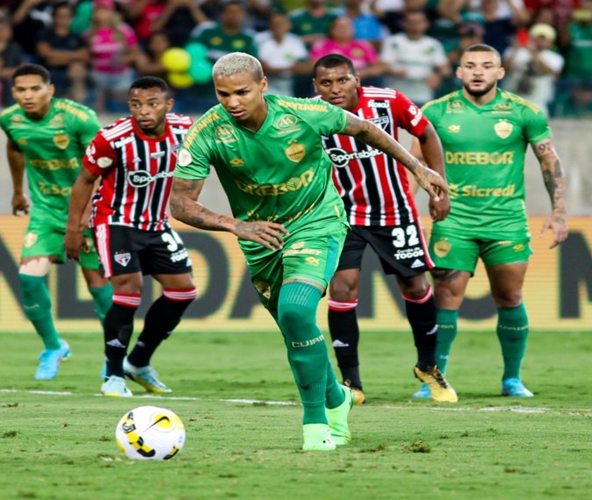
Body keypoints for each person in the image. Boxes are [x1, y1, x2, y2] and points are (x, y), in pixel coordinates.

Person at [169, 52, 449, 451]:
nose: (232, 102)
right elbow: (180, 204)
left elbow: (366, 129)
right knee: (294, 330)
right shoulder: (206, 133)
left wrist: (416, 167)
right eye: (223, 94)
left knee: (297, 310)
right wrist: (237, 226)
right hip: (261, 237)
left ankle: (315, 422)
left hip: (317, 221)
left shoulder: (302, 112)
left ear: (263, 86)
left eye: (242, 92)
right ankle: (337, 398)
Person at [412, 44, 568, 399]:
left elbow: (549, 162)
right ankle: (437, 379)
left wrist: (558, 213)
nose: (478, 71)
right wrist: (408, 211)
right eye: (470, 65)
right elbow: (414, 165)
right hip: (454, 219)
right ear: (459, 72)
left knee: (510, 295)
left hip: (506, 220)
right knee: (446, 296)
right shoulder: (434, 112)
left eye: (486, 66)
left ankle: (512, 378)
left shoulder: (524, 112)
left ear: (500, 72)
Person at [311, 53, 456, 405]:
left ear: (356, 78)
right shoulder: (308, 113)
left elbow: (427, 133)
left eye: (342, 80)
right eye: (326, 83)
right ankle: (351, 382)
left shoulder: (388, 102)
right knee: (342, 289)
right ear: (315, 86)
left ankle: (428, 366)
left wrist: (439, 187)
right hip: (342, 216)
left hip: (395, 212)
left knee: (415, 285)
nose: (334, 89)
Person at [64, 76, 198, 397]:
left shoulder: (186, 130)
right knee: (129, 290)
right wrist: (74, 229)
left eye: (152, 104)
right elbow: (85, 181)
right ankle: (113, 376)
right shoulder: (113, 138)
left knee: (184, 291)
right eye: (136, 104)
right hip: (115, 221)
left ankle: (137, 362)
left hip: (156, 224)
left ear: (168, 105)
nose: (144, 112)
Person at [0, 63, 114, 380]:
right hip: (46, 210)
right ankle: (53, 346)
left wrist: (84, 217)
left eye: (35, 89)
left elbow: (102, 167)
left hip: (87, 210)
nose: (27, 95)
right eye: (21, 90)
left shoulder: (78, 118)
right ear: (13, 93)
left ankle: (113, 354)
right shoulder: (10, 120)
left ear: (50, 90)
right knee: (29, 278)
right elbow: (15, 147)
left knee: (97, 284)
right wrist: (17, 191)